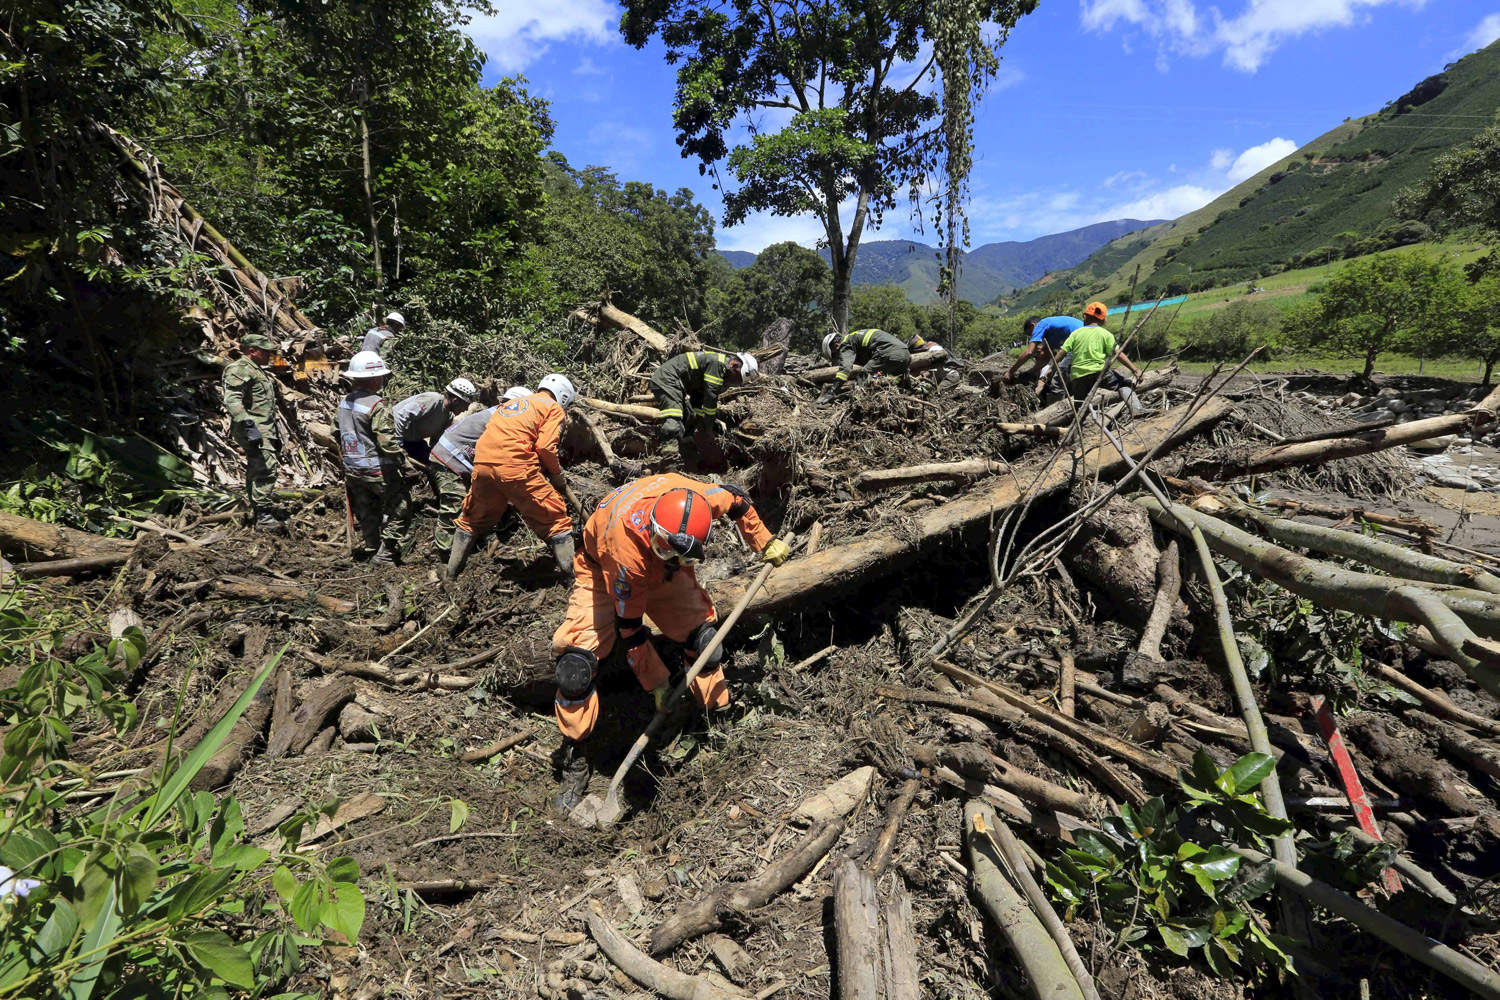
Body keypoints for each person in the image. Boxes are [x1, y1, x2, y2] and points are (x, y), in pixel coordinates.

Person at [548, 474, 791, 809]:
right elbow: (630, 628)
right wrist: (657, 684)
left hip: (664, 574)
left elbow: (736, 500)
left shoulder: (700, 501)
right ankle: (576, 755)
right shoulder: (626, 555)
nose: (676, 559)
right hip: (602, 570)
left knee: (706, 643)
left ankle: (716, 718)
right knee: (575, 668)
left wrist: (764, 541)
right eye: (667, 550)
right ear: (655, 529)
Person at [446, 374, 578, 580]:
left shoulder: (512, 404)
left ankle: (451, 574)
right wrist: (557, 474)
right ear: (564, 397)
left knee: (472, 518)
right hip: (516, 466)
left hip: (483, 465)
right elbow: (544, 447)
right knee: (554, 518)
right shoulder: (553, 408)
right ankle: (573, 579)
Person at [428, 387, 534, 558]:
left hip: (456, 459)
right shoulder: (500, 419)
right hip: (448, 459)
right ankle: (443, 552)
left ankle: (479, 538)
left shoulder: (499, 415)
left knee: (475, 502)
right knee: (453, 506)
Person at [337, 351, 407, 563]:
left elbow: (335, 431)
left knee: (367, 510)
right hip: (377, 469)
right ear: (375, 378)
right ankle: (386, 553)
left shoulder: (344, 402)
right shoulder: (377, 404)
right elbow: (386, 442)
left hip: (352, 469)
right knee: (401, 505)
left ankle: (372, 547)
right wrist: (404, 463)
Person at [221, 331, 283, 531]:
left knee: (258, 468)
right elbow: (232, 399)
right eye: (265, 352)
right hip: (253, 428)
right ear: (252, 351)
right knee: (266, 468)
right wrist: (248, 425)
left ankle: (258, 510)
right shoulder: (239, 369)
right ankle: (264, 516)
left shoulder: (256, 369)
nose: (269, 356)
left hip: (263, 427)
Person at [649, 351, 759, 457]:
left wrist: (698, 422)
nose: (734, 383)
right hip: (668, 379)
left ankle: (686, 454)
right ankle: (669, 459)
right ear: (733, 365)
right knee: (674, 418)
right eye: (736, 378)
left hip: (677, 383)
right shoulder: (717, 365)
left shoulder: (718, 369)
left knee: (690, 417)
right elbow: (710, 401)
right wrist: (708, 429)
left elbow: (699, 397)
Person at [1049, 301, 1144, 402]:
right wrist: (1135, 370)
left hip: (1078, 376)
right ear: (1104, 320)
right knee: (1125, 384)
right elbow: (1118, 354)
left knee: (1080, 404)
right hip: (1098, 373)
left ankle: (1080, 417)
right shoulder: (1106, 334)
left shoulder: (1075, 334)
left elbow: (1061, 352)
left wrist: (1051, 368)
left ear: (1084, 317)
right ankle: (1136, 409)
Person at [817, 328, 911, 403]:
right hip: (906, 353)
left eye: (835, 355)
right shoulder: (854, 337)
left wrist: (832, 392)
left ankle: (857, 406)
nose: (838, 358)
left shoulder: (844, 344)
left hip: (888, 353)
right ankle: (908, 397)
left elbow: (845, 369)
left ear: (837, 345)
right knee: (896, 381)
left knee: (863, 377)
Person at [1004, 314, 1083, 388]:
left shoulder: (1041, 325)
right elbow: (1045, 359)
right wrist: (1030, 372)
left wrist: (1011, 371)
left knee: (1057, 383)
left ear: (1033, 325)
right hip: (1086, 341)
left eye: (1031, 334)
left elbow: (1028, 352)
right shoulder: (1051, 334)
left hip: (1081, 341)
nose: (1033, 336)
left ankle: (1056, 402)